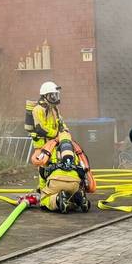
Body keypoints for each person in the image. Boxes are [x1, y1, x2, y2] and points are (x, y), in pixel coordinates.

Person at [25, 84, 88, 212]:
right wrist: (57, 135)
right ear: (45, 96)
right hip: (42, 145)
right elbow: (40, 129)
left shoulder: (54, 109)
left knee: (55, 164)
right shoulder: (38, 110)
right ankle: (46, 190)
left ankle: (53, 192)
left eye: (56, 95)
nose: (55, 98)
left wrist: (65, 131)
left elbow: (61, 123)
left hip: (54, 143)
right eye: (52, 95)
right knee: (42, 166)